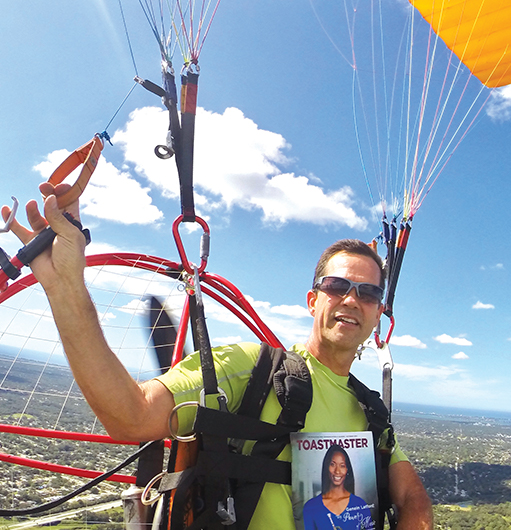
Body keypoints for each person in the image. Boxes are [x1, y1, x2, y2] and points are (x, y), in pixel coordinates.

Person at [1, 183, 433, 530]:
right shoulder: (254, 369)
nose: (352, 300)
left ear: (379, 311)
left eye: (369, 292)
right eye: (338, 286)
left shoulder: (371, 410)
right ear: (312, 299)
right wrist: (65, 288)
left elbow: (412, 496)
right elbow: (130, 415)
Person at [303, 444, 373, 529]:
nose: (337, 471)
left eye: (342, 466)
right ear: (326, 467)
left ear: (347, 470)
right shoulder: (310, 507)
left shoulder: (360, 504)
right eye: (332, 464)